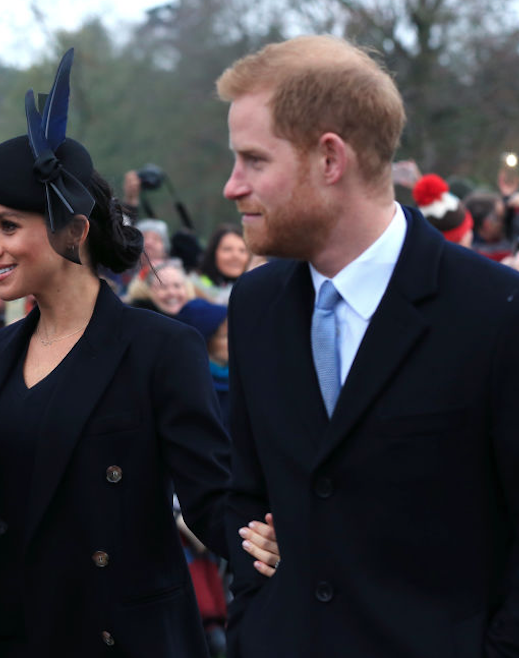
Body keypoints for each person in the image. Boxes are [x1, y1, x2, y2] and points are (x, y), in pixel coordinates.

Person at [0, 48, 276, 658]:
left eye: (8, 226)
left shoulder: (160, 348)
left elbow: (210, 495)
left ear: (75, 230)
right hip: (6, 637)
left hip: (118, 637)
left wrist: (272, 539)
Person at [219, 35, 519, 657]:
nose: (232, 186)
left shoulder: (494, 311)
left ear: (330, 159)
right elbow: (246, 491)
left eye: (253, 160)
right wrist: (258, 616)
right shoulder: (255, 307)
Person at [196, 224, 249, 304]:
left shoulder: (256, 287)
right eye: (227, 249)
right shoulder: (193, 286)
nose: (236, 256)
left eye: (242, 250)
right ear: (213, 253)